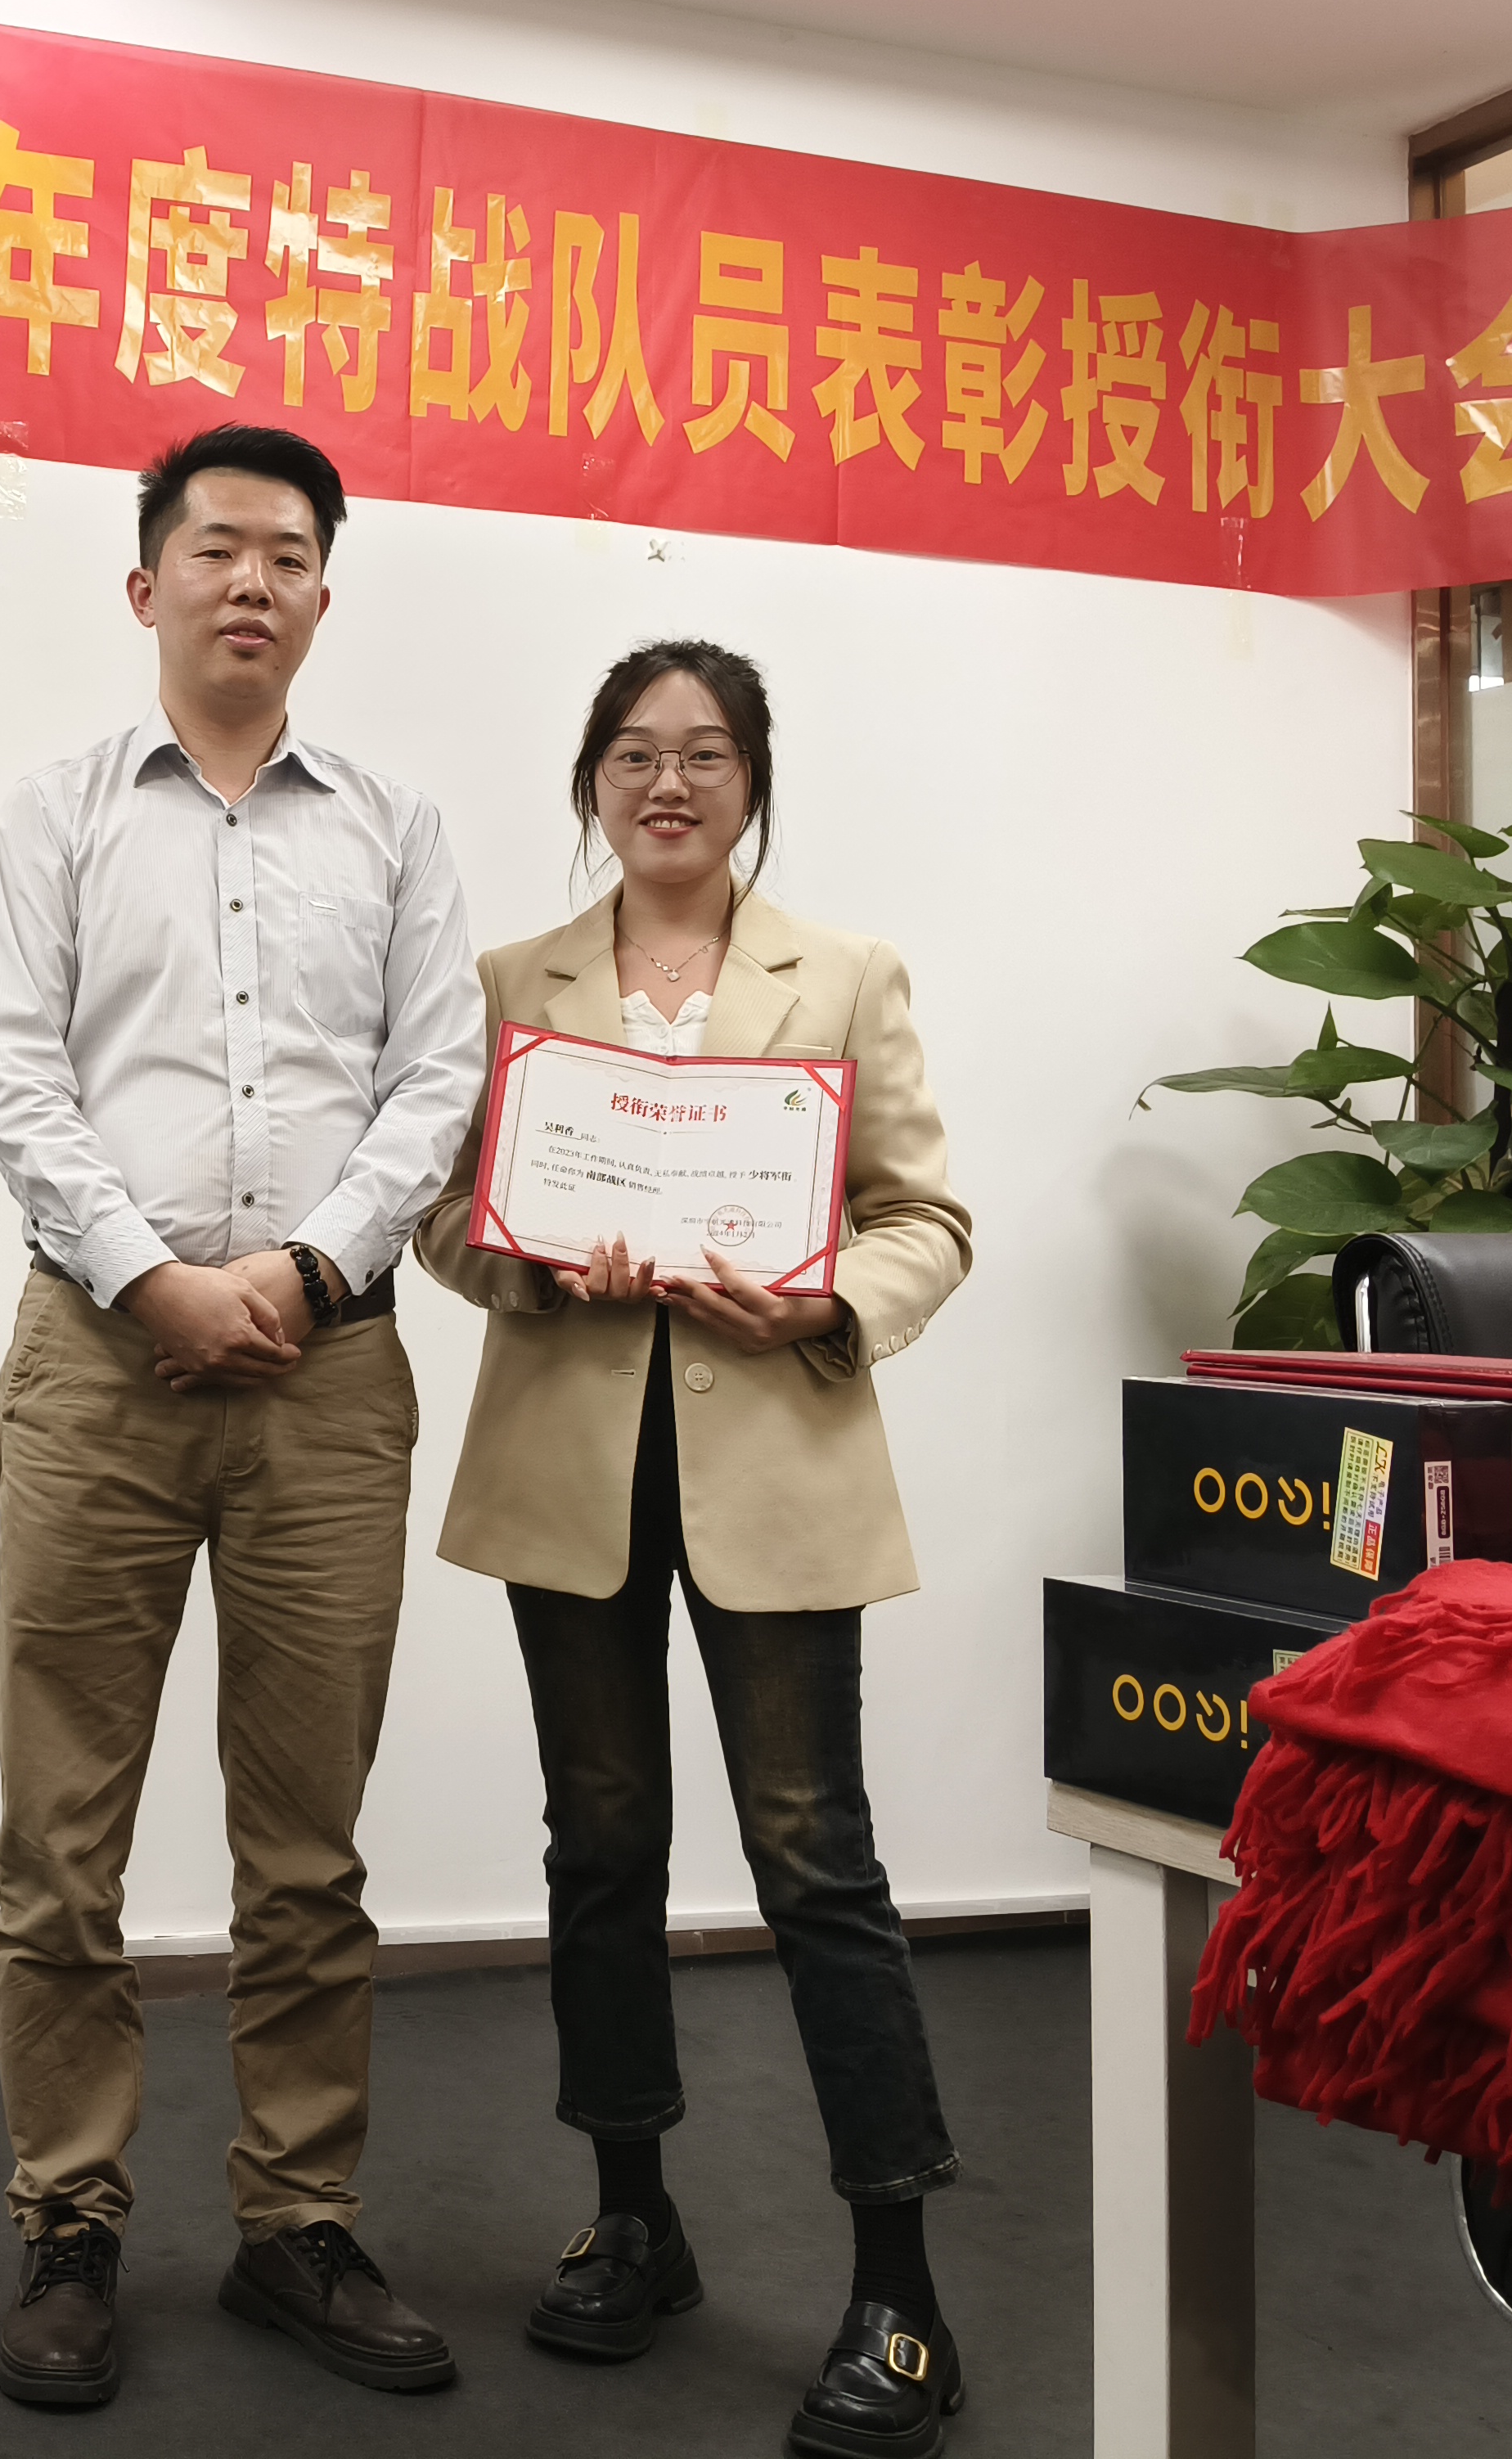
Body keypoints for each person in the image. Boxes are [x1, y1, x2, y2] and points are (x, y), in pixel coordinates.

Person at [0, 424, 484, 2410]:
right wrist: (154, 1278)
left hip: (328, 1380)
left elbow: (436, 1081)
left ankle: (297, 2223)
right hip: (99, 1364)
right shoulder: (57, 815)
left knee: (309, 1839)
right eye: (215, 549)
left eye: (286, 554)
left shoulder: (397, 829)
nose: (251, 580)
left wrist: (312, 1274)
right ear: (147, 586)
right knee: (61, 1834)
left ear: (324, 598)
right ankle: (70, 2225)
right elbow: (16, 1080)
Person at [416, 640, 976, 2459]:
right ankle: (633, 2221)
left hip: (779, 1459)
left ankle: (901, 2293)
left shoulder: (848, 974)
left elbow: (927, 1218)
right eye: (637, 753)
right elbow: (442, 1213)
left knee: (818, 1861)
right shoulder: (513, 981)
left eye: (708, 753)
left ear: (753, 782)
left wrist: (822, 1301)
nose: (670, 782)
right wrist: (527, 1253)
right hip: (571, 1471)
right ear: (593, 780)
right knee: (603, 1846)